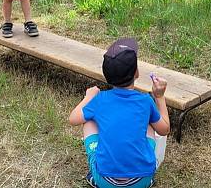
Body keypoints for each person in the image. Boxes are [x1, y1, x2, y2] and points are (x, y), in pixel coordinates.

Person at [68, 38, 170, 188]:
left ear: (106, 75)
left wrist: (88, 97)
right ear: (136, 73)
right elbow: (164, 129)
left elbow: (73, 119)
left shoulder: (100, 100)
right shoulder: (145, 101)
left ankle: (95, 178)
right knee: (149, 123)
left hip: (105, 181)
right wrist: (160, 97)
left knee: (89, 120)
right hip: (142, 180)